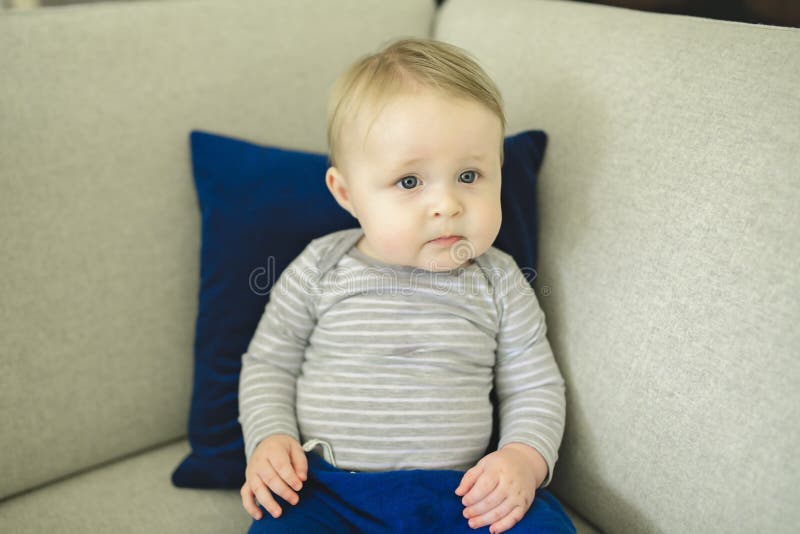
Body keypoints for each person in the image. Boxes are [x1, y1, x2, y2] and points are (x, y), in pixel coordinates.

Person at [237, 38, 575, 533]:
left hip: (464, 495)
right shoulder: (319, 266)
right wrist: (269, 439)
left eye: (469, 174)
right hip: (329, 492)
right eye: (410, 182)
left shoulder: (500, 279)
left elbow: (535, 384)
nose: (447, 205)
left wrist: (524, 460)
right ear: (347, 193)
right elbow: (269, 363)